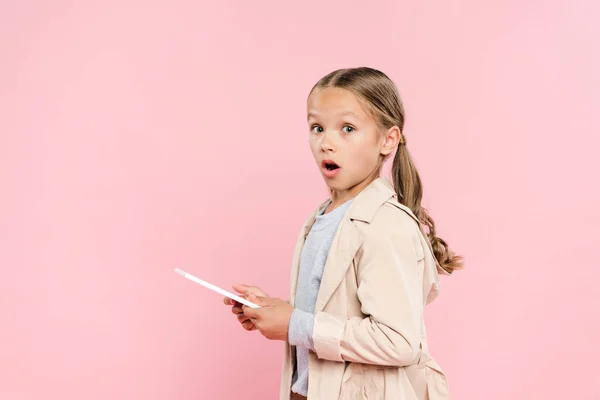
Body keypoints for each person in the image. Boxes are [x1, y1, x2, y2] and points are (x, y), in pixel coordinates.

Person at [223, 67, 463, 399]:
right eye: (317, 128)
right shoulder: (320, 218)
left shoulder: (386, 225)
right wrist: (275, 310)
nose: (327, 143)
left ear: (387, 140)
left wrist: (296, 324)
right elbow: (333, 309)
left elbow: (398, 341)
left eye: (347, 128)